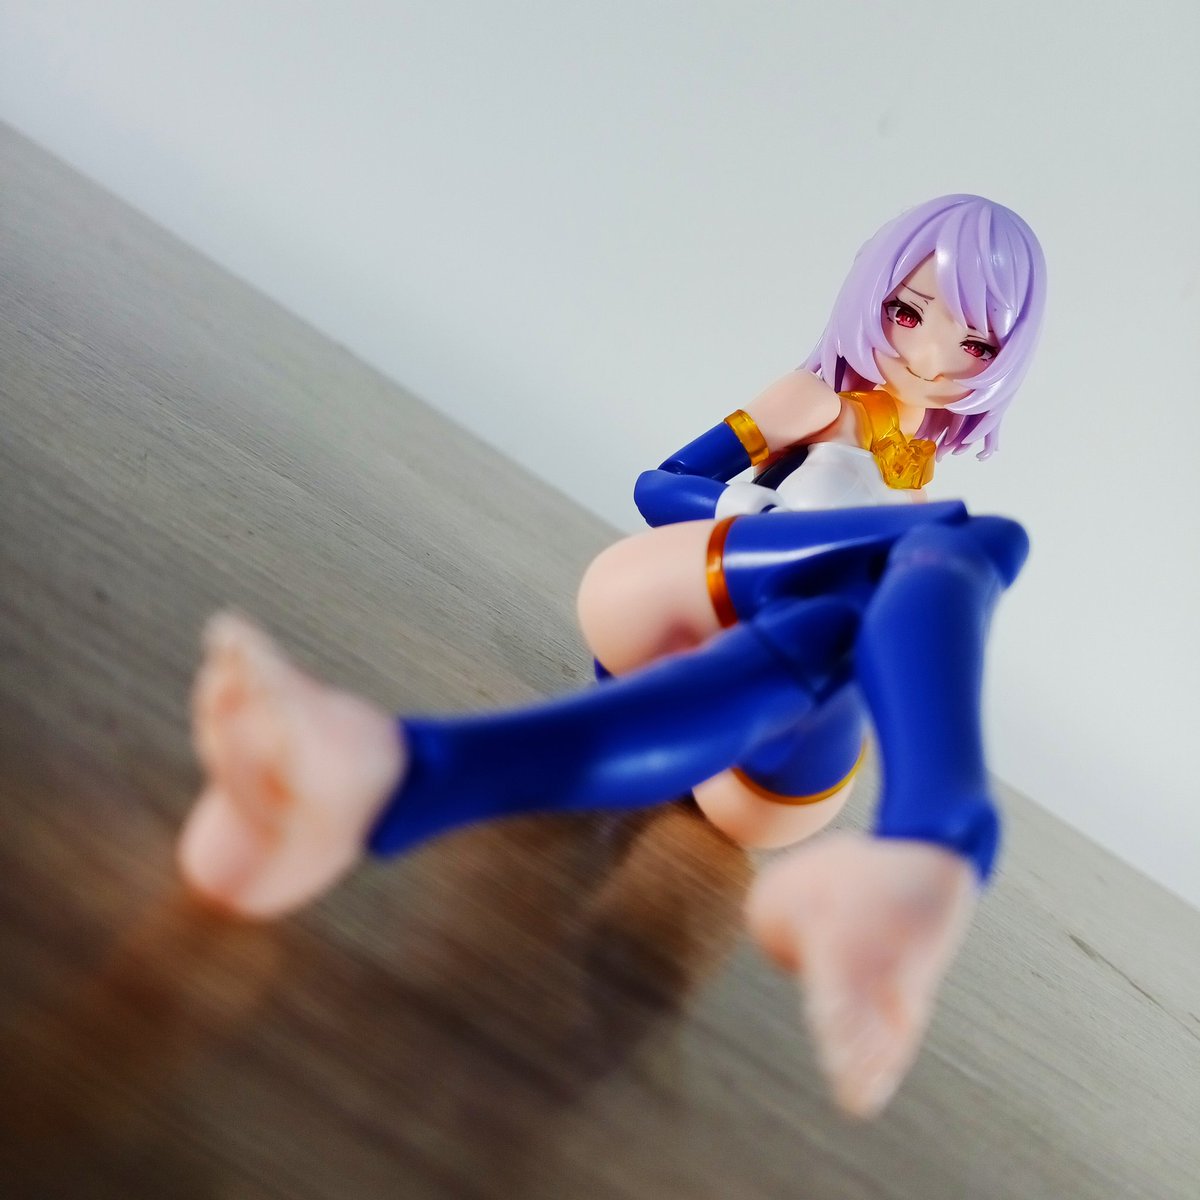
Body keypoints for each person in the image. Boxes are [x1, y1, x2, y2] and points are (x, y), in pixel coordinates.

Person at [177, 194, 1047, 1117]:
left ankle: (378, 777)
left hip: (774, 772)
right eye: (908, 312)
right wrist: (754, 513)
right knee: (967, 542)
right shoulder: (814, 404)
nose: (929, 355)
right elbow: (661, 484)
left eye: (973, 344)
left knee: (863, 600)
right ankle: (930, 855)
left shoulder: (921, 467)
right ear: (871, 293)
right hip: (681, 611)